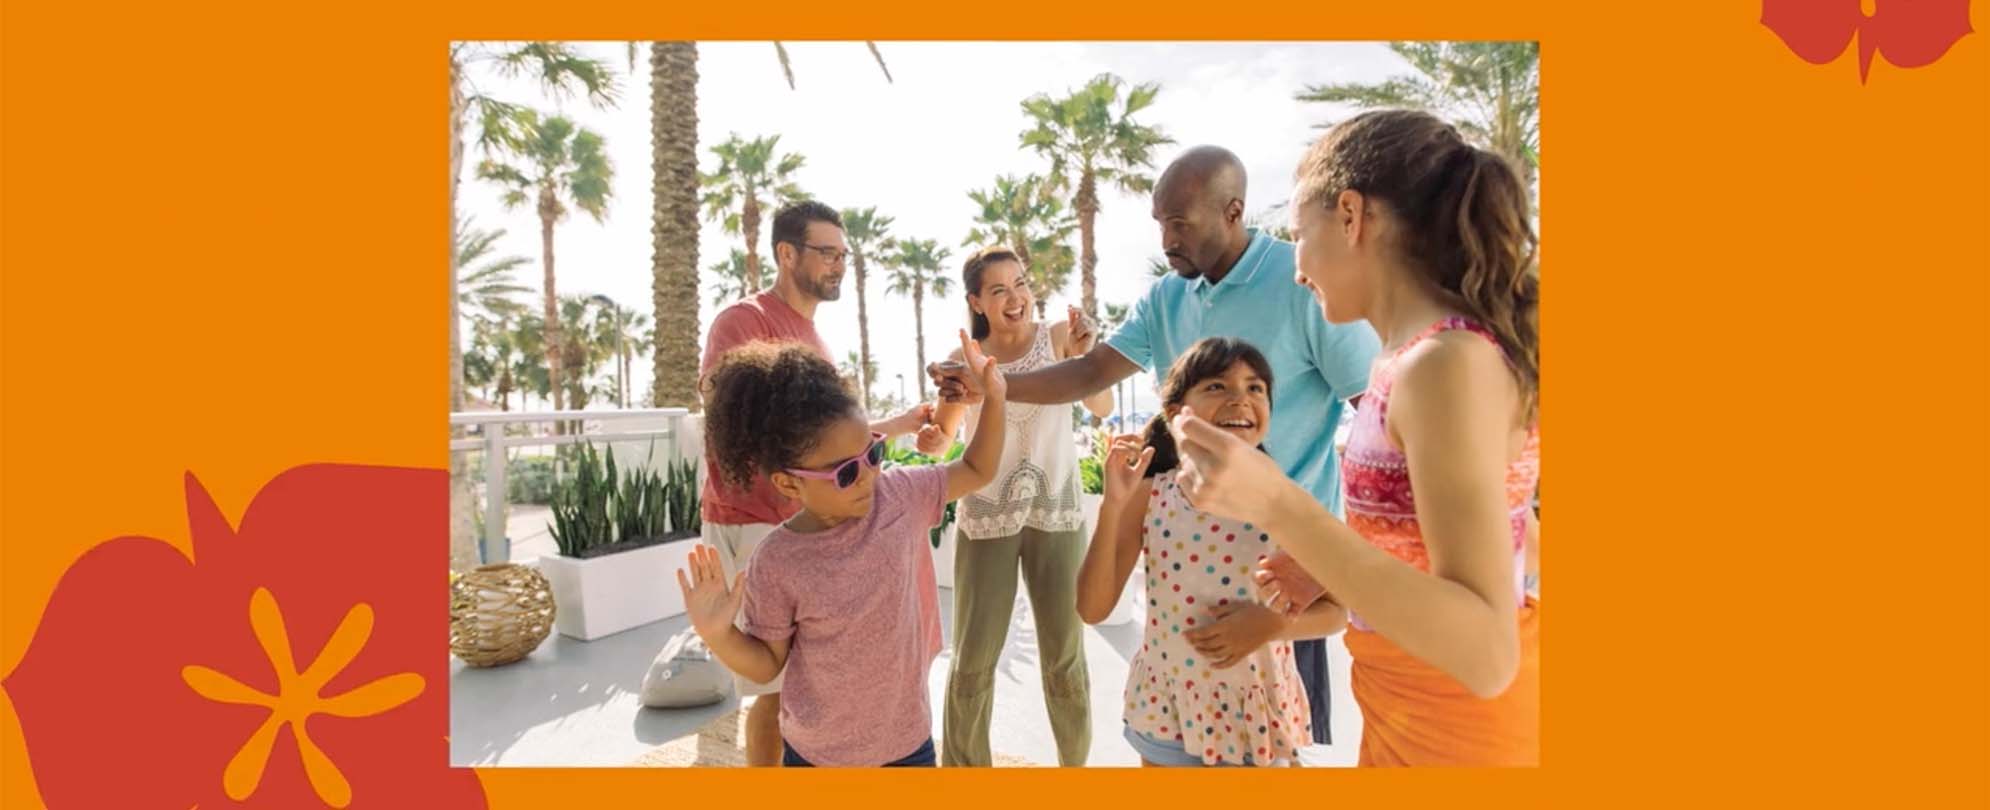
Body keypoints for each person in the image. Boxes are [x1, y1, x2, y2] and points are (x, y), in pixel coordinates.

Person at [929, 146, 1380, 745]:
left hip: (1283, 572)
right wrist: (996, 386)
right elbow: (1090, 373)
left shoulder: (1300, 283)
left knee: (1278, 746)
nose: (1165, 238)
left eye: (1179, 223)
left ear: (1233, 211)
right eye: (1159, 222)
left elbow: (1374, 419)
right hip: (1187, 568)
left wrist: (1341, 556)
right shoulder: (1166, 297)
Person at [1175, 109, 1542, 765]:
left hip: (1460, 742)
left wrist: (1280, 507)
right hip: (1409, 725)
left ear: (1350, 215)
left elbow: (1487, 654)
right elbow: (1513, 534)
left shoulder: (1444, 364)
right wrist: (1339, 551)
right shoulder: (1411, 360)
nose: (1295, 269)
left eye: (1299, 236)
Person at [677, 332, 1008, 767]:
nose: (870, 474)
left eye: (872, 453)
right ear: (788, 483)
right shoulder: (777, 561)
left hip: (908, 745)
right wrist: (719, 634)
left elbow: (976, 468)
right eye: (847, 472)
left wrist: (997, 399)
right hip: (816, 757)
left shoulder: (901, 494)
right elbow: (767, 665)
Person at [697, 200, 933, 766]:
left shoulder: (813, 338)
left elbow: (824, 445)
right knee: (769, 693)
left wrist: (898, 427)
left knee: (800, 683)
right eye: (826, 252)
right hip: (753, 521)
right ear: (786, 253)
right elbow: (736, 423)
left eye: (843, 255)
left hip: (800, 524)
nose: (838, 265)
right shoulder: (744, 321)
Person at [1076, 337, 1345, 766]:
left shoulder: (1285, 503)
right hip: (1168, 714)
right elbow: (1092, 608)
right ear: (1175, 413)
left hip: (1257, 720)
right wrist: (1113, 505)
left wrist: (1272, 625)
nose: (1240, 398)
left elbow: (1336, 612)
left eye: (1255, 388)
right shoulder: (1150, 496)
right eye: (1217, 386)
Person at [923, 246, 1112, 767]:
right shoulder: (963, 360)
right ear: (977, 302)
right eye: (999, 289)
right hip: (986, 515)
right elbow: (942, 439)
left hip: (1057, 513)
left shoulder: (1058, 339)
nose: (1016, 297)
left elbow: (1102, 406)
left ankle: (1074, 772)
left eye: (1021, 283)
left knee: (1065, 657)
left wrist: (1083, 355)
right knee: (973, 660)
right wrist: (928, 439)